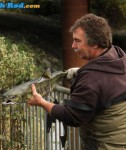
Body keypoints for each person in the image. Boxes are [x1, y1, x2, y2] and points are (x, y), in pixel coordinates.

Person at [28, 13, 126, 150]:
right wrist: (80, 72)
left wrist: (41, 102)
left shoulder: (91, 79)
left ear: (95, 43)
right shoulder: (118, 57)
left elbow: (72, 116)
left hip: (106, 145)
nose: (73, 45)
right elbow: (104, 82)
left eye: (77, 40)